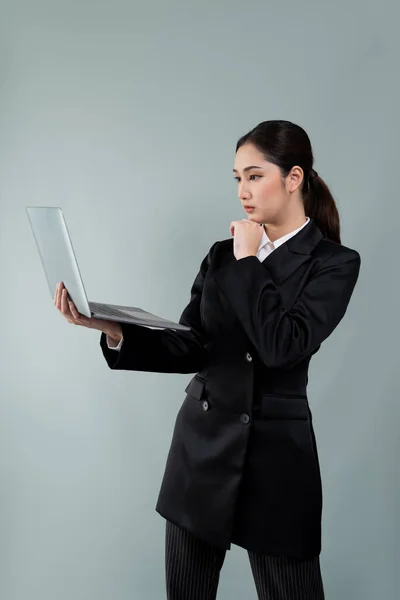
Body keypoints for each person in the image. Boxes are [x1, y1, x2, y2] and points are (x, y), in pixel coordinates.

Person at [55, 120, 361, 600]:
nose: (243, 190)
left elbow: (282, 345)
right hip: (200, 451)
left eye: (255, 175)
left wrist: (248, 263)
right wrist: (111, 329)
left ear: (294, 178)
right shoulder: (221, 255)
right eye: (237, 177)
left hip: (277, 462)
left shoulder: (334, 263)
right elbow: (193, 345)